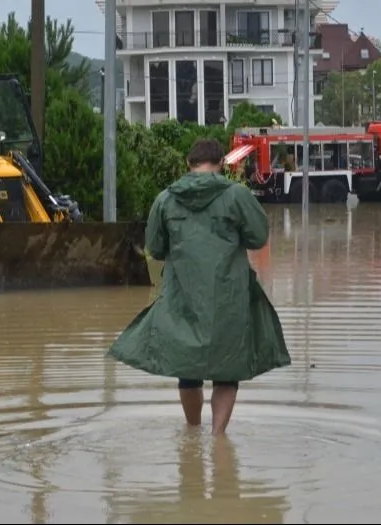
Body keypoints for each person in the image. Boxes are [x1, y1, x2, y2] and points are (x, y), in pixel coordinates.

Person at [108, 139, 291, 435]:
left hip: (183, 295)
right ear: (221, 163)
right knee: (227, 370)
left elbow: (154, 247)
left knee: (188, 369)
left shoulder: (165, 200)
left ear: (188, 164)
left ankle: (193, 432)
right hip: (229, 296)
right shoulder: (237, 195)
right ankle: (218, 439)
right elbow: (258, 237)